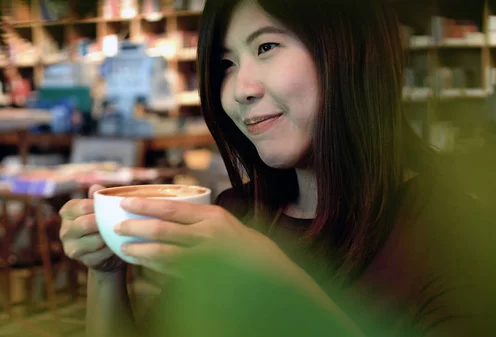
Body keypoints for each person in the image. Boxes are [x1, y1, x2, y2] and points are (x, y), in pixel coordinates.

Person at [59, 0, 496, 336]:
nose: (239, 91)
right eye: (226, 65)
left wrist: (272, 278)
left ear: (351, 50)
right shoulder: (234, 214)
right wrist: (106, 275)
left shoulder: (457, 233)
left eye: (266, 46)